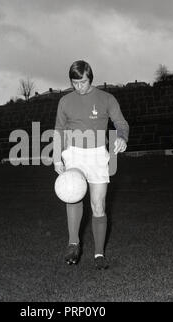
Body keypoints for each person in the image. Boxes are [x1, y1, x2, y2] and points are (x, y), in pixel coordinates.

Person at [53, 60, 129, 270]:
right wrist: (57, 158)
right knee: (72, 193)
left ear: (90, 78)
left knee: (98, 205)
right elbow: (59, 130)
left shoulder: (107, 99)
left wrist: (122, 137)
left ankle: (99, 254)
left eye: (83, 82)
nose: (79, 87)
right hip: (74, 153)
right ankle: (73, 243)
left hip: (97, 155)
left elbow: (121, 123)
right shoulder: (65, 101)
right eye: (75, 83)